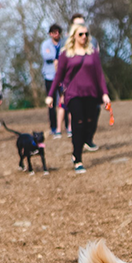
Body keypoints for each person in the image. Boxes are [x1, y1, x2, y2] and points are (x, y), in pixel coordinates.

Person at [45, 23, 110, 174]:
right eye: (81, 34)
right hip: (73, 94)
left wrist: (105, 93)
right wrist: (50, 95)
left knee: (89, 122)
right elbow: (58, 77)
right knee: (78, 122)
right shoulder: (66, 54)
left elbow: (99, 75)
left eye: (86, 34)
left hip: (91, 93)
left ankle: (81, 146)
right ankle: (77, 158)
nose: (84, 37)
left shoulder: (92, 53)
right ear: (74, 35)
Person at [69, 13, 100, 150]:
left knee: (94, 113)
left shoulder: (92, 42)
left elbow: (96, 64)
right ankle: (77, 150)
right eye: (77, 24)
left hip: (91, 86)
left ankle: (88, 139)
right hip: (74, 89)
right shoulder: (67, 43)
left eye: (82, 24)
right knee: (78, 119)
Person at [41, 24, 63, 137]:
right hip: (49, 77)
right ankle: (53, 127)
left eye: (58, 32)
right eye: (54, 32)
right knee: (51, 103)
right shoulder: (46, 44)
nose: (57, 34)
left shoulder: (63, 43)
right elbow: (46, 56)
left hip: (62, 77)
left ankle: (67, 126)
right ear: (50, 34)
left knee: (64, 102)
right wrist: (57, 56)